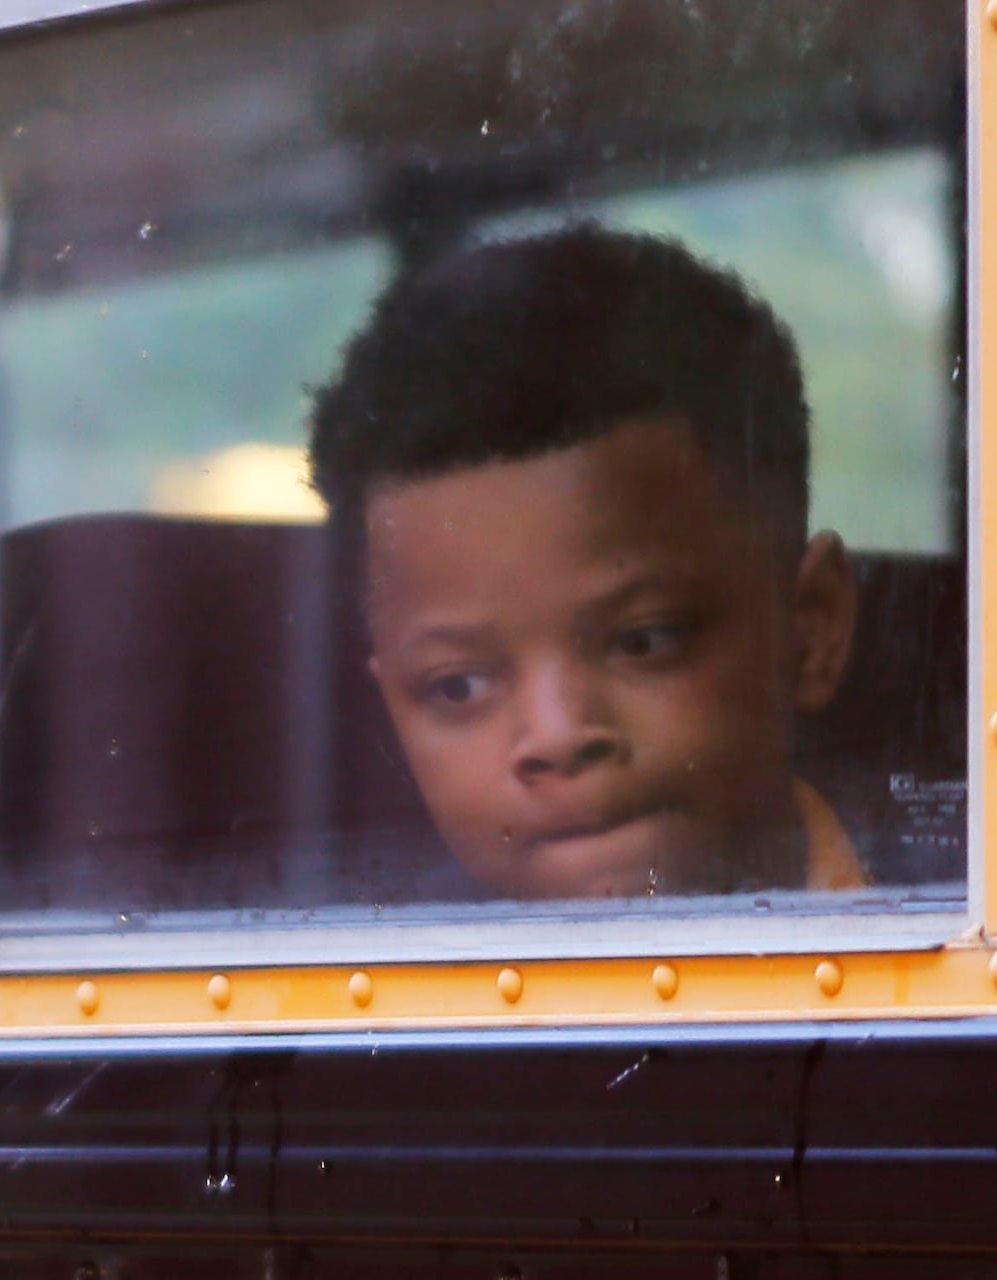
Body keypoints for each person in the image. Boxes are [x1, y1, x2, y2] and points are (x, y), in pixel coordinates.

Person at [308, 225, 863, 901]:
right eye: (458, 687)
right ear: (392, 712)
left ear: (811, 631)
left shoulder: (945, 906)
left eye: (643, 641)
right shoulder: (365, 951)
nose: (559, 736)